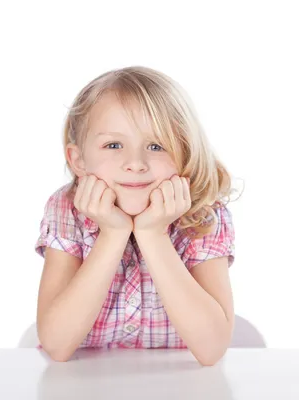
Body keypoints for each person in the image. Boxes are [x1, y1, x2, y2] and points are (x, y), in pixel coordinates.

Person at [34, 66, 238, 366]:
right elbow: (56, 344)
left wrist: (153, 234)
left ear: (185, 152)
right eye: (113, 145)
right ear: (78, 160)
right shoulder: (66, 209)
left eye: (156, 146)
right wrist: (113, 234)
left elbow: (211, 350)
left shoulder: (205, 215)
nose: (135, 163)